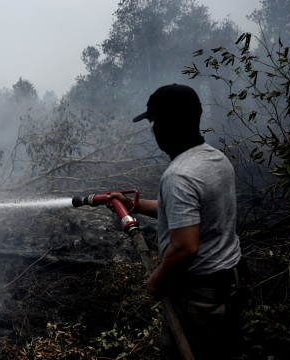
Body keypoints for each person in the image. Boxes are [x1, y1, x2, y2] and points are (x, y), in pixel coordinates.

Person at [107, 84, 247, 360]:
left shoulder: (179, 175)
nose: (154, 129)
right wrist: (136, 204)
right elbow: (190, 215)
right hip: (229, 285)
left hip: (199, 299)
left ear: (169, 124)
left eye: (155, 121)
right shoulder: (215, 159)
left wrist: (156, 281)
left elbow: (185, 247)